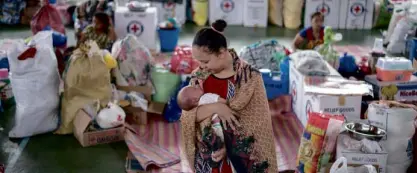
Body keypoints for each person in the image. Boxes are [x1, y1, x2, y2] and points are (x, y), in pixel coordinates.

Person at [180, 19, 278, 173]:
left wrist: (231, 147)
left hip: (241, 155)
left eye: (205, 61)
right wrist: (217, 107)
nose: (202, 66)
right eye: (199, 61)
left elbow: (257, 125)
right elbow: (188, 115)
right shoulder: (200, 76)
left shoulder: (249, 78)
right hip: (210, 153)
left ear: (221, 53)